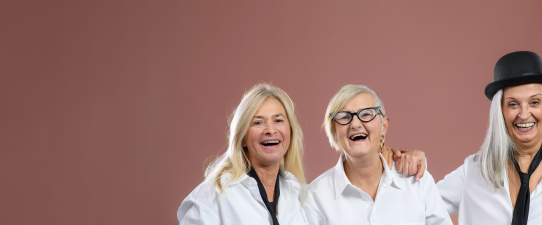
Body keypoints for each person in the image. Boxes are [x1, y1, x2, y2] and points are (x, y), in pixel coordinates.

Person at [435, 51, 542, 224]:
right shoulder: (475, 171)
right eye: (512, 104)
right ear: (500, 112)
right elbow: (419, 206)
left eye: (534, 102)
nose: (523, 114)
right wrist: (412, 166)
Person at [303, 84, 452, 225]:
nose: (355, 124)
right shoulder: (315, 197)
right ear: (334, 131)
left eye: (366, 114)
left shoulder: (418, 181)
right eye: (344, 117)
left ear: (384, 126)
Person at [177, 83, 307, 225]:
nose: (270, 130)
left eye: (278, 120)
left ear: (290, 132)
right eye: (258, 122)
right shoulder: (214, 195)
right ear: (243, 137)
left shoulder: (296, 192)